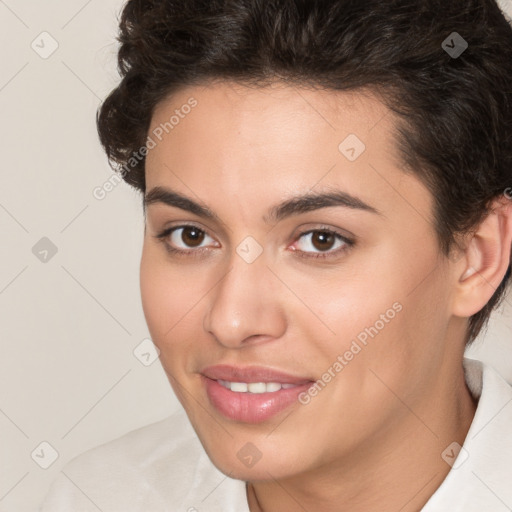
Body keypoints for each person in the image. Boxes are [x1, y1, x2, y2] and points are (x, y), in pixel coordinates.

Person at [40, 0, 512, 510]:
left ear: (476, 257)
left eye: (320, 240)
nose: (232, 320)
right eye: (190, 236)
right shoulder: (98, 497)